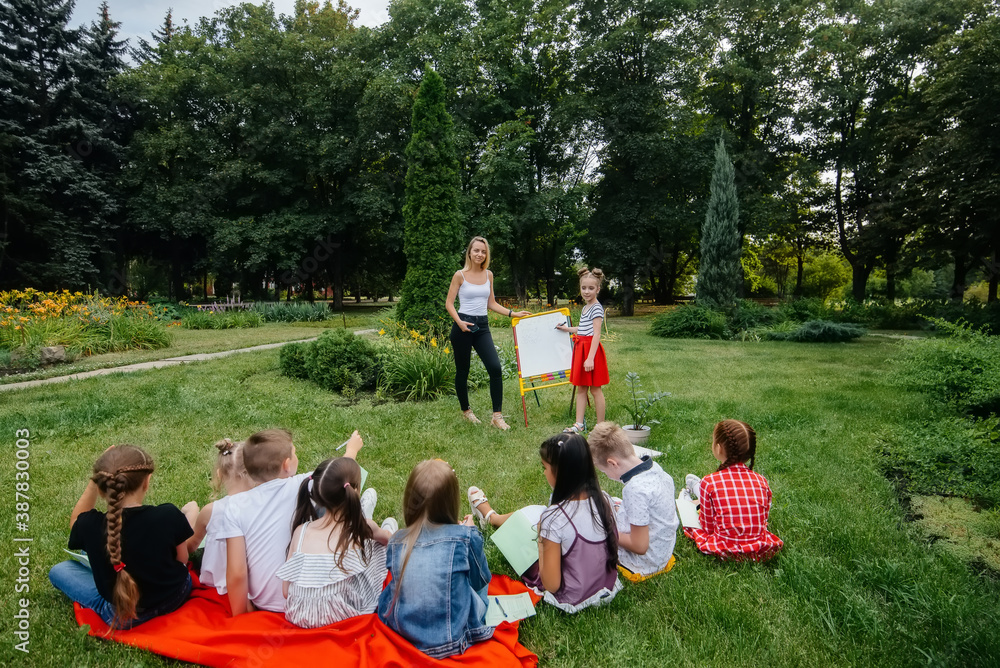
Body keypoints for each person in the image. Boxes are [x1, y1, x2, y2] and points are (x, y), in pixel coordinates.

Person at [218, 429, 373, 615]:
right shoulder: (302, 483)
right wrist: (352, 450)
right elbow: (338, 476)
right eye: (294, 452)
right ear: (287, 465)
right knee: (338, 506)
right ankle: (364, 512)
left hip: (264, 603)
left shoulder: (233, 506)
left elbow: (237, 573)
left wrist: (240, 616)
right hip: (303, 600)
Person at [468, 433, 621, 613]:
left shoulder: (554, 519)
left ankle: (490, 516)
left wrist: (541, 539)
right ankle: (491, 517)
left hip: (571, 596)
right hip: (605, 586)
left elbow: (552, 585)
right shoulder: (604, 500)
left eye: (545, 467)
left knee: (522, 524)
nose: (543, 472)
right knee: (535, 513)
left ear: (560, 472)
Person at [48, 445, 193, 629]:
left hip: (122, 615)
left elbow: (76, 521)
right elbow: (183, 559)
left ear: (100, 488)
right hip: (176, 596)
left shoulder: (89, 526)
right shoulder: (168, 514)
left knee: (60, 570)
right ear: (147, 482)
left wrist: (94, 481)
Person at [378, 460, 494, 659]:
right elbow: (480, 580)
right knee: (480, 585)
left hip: (404, 633)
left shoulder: (396, 540)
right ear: (451, 502)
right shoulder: (465, 538)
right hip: (453, 638)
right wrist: (470, 532)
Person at [277, 457, 397, 628]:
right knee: (376, 545)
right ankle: (365, 513)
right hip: (342, 617)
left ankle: (364, 511)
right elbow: (388, 541)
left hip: (299, 617)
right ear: (354, 491)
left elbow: (285, 591)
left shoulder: (301, 531)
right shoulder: (357, 528)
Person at [446, 236, 530, 430]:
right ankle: (466, 411)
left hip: (481, 327)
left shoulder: (489, 275)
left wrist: (512, 313)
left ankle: (497, 416)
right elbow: (449, 303)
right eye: (476, 250)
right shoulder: (460, 275)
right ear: (469, 252)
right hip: (462, 326)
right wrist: (459, 322)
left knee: (495, 368)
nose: (480, 254)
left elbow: (490, 303)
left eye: (483, 251)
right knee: (463, 371)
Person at [587, 421, 678, 582]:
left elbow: (639, 546)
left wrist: (607, 531)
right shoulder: (655, 469)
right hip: (662, 551)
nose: (605, 475)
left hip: (643, 563)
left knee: (590, 529)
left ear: (612, 463)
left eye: (603, 471)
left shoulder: (634, 490)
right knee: (613, 502)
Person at [682, 420, 783, 562]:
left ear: (718, 448)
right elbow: (763, 520)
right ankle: (698, 490)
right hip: (757, 546)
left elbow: (708, 527)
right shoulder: (761, 481)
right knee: (715, 495)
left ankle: (687, 497)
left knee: (689, 512)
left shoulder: (710, 481)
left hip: (723, 547)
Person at [183, 439, 256, 595]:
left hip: (216, 586)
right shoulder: (264, 506)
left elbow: (189, 546)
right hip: (255, 585)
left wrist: (191, 514)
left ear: (219, 474)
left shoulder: (210, 511)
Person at [555, 267, 609, 433]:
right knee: (581, 388)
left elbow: (596, 333)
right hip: (581, 349)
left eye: (591, 288)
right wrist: (568, 329)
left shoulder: (596, 308)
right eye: (584, 288)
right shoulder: (586, 307)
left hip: (590, 351)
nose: (587, 291)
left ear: (598, 289)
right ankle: (579, 423)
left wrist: (590, 358)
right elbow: (584, 328)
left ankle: (600, 426)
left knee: (595, 389)